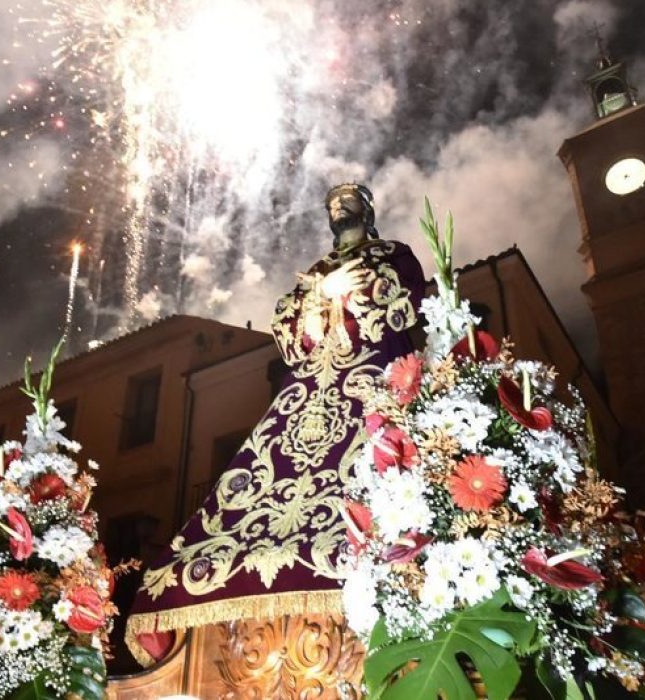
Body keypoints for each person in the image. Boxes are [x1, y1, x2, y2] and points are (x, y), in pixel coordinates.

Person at [125, 184, 425, 665]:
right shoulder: (318, 272)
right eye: (332, 205)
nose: (339, 209)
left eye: (348, 202)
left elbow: (403, 303)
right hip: (309, 389)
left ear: (367, 211)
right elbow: (288, 329)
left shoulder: (393, 253)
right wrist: (321, 297)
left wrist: (356, 289)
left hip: (371, 375)